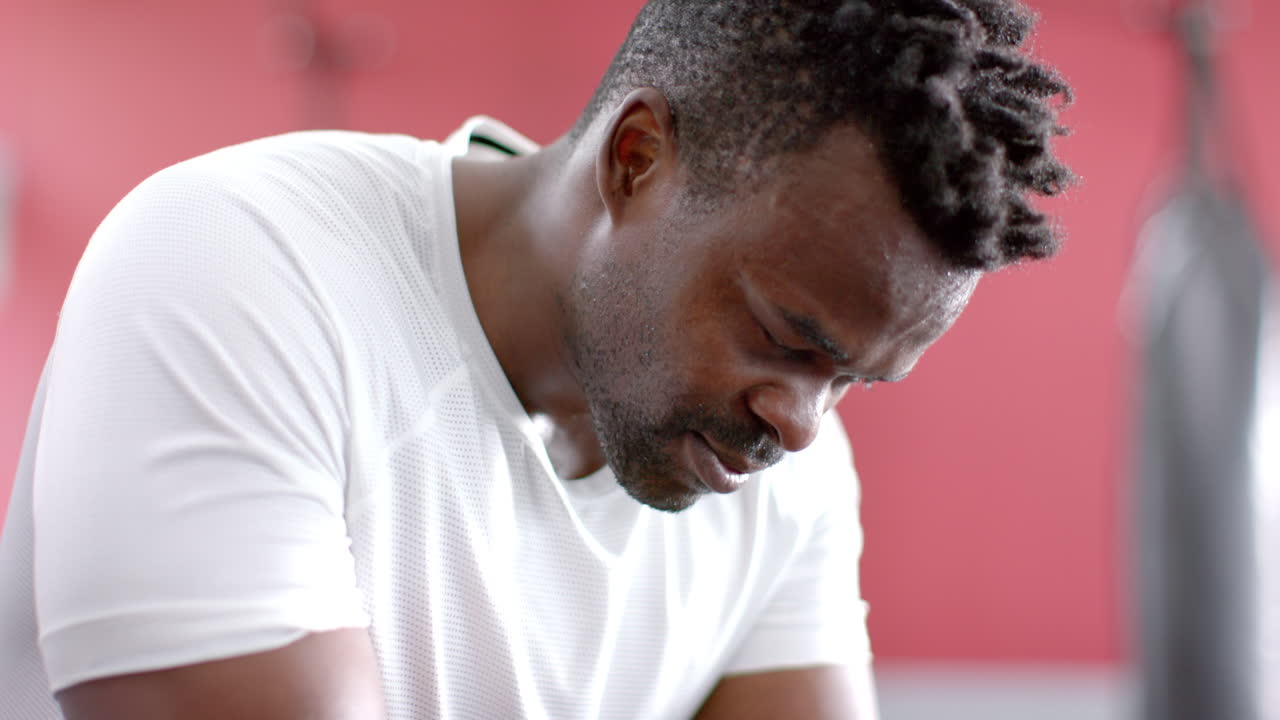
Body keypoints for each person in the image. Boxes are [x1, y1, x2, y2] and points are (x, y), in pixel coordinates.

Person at [0, 1, 1074, 718]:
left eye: (849, 380)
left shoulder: (780, 468)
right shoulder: (235, 261)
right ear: (635, 158)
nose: (801, 423)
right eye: (788, 338)